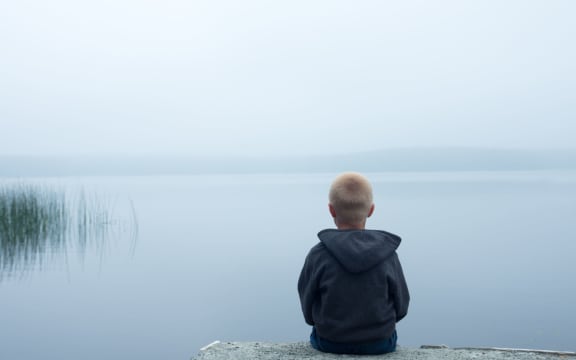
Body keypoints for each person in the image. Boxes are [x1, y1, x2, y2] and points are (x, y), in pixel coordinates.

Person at [298, 172, 410, 355]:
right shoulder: (388, 255)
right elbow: (402, 306)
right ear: (371, 210)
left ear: (331, 210)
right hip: (380, 343)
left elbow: (307, 306)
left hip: (329, 342)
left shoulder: (318, 255)